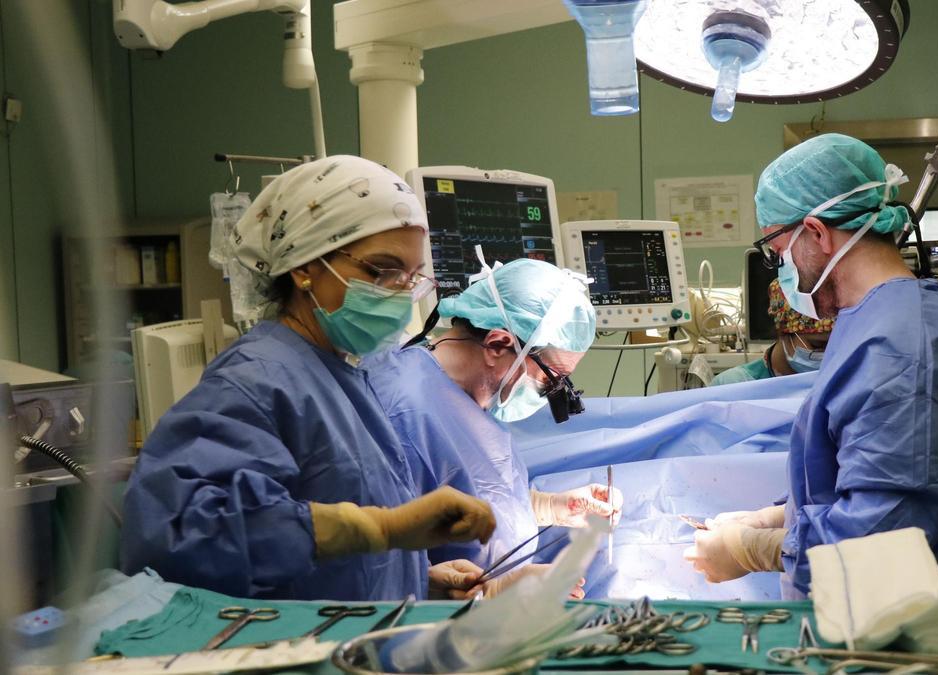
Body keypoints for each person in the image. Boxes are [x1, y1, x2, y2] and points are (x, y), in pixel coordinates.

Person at [121, 156, 497, 601]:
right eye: (382, 271)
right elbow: (182, 534)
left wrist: (415, 580)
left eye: (412, 278)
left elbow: (336, 546)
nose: (399, 293)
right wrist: (385, 528)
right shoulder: (257, 380)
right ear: (304, 267)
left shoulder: (347, 375)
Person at [685, 134, 938, 598]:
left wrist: (752, 549)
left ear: (818, 233)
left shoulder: (900, 347)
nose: (782, 270)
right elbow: (868, 477)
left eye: (780, 253)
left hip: (888, 639)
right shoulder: (885, 320)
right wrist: (778, 516)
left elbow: (883, 543)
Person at [367, 251, 622, 597]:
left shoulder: (472, 399)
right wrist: (487, 592)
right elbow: (377, 569)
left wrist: (550, 506)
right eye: (552, 380)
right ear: (498, 344)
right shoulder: (404, 411)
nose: (552, 394)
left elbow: (469, 494)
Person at [709, 277, 833, 386]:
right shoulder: (733, 386)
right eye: (819, 345)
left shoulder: (841, 387)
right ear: (782, 333)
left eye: (838, 344)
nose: (828, 354)